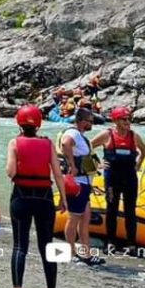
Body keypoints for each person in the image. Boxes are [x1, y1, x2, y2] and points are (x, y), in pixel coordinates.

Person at [7, 104, 67, 288]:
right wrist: (64, 199)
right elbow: (58, 174)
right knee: (47, 246)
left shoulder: (14, 142)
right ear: (39, 124)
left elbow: (10, 172)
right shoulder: (48, 144)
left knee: (19, 246)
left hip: (21, 197)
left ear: (19, 123)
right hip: (44, 198)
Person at [89, 106, 145, 255]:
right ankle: (110, 242)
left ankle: (132, 244)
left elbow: (144, 150)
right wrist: (97, 164)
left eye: (129, 119)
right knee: (111, 209)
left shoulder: (134, 136)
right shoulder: (106, 135)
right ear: (115, 120)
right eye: (124, 119)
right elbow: (88, 147)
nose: (128, 122)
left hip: (129, 178)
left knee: (130, 211)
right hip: (111, 179)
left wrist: (138, 165)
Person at [59, 108, 104, 265]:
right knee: (74, 218)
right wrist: (72, 165)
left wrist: (96, 167)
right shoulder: (73, 133)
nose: (92, 124)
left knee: (84, 219)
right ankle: (71, 252)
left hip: (85, 183)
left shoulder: (81, 137)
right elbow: (65, 143)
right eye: (90, 121)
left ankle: (86, 253)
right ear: (82, 121)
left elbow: (84, 157)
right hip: (77, 184)